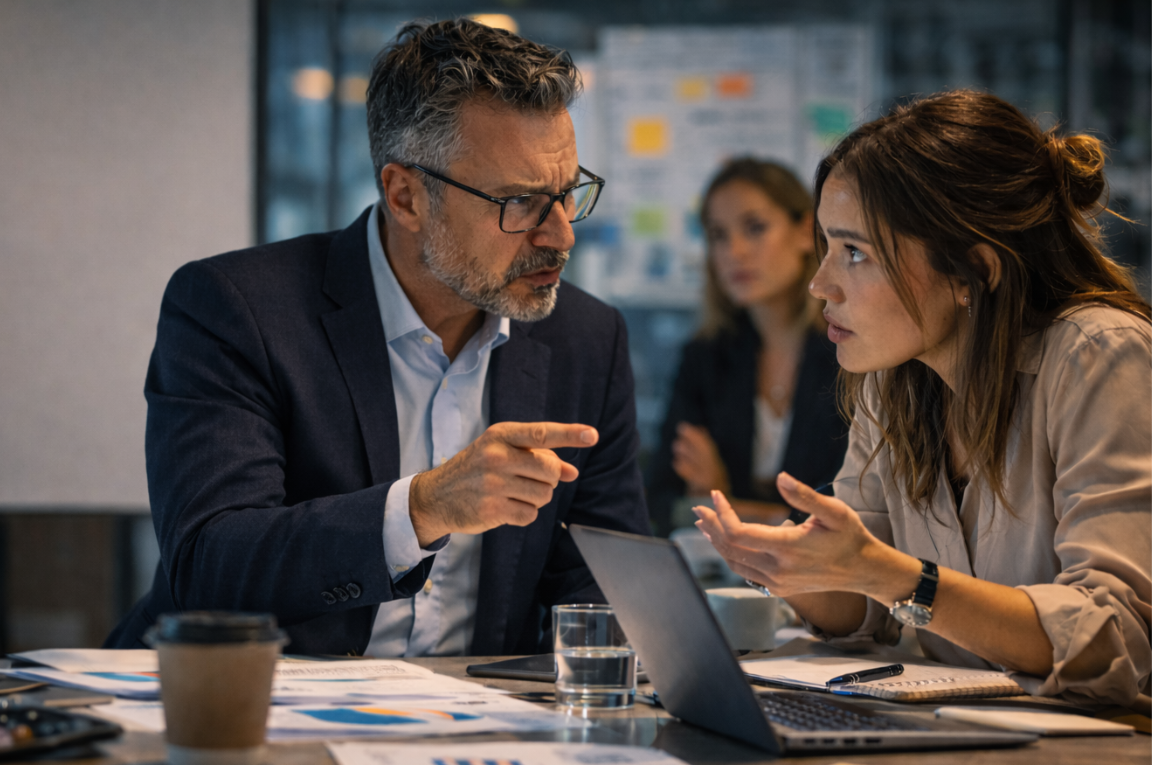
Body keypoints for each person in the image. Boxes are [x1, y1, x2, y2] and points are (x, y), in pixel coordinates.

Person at [105, 19, 651, 656]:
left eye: (568, 193)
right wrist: (421, 509)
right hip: (253, 698)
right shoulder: (236, 309)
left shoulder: (587, 338)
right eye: (521, 203)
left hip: (473, 710)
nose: (562, 235)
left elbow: (601, 581)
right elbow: (209, 566)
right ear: (406, 197)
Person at [694, 90, 1151, 709]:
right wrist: (789, 567)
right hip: (964, 730)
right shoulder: (891, 378)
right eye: (826, 247)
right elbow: (865, 609)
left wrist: (890, 574)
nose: (820, 284)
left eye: (854, 253)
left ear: (973, 271)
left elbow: (1114, 636)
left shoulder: (1101, 354)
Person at [647, 159, 846, 535]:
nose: (734, 251)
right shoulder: (706, 358)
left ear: (806, 231)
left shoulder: (850, 354)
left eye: (755, 228)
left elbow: (852, 515)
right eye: (718, 235)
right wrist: (769, 515)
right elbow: (660, 501)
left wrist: (722, 498)